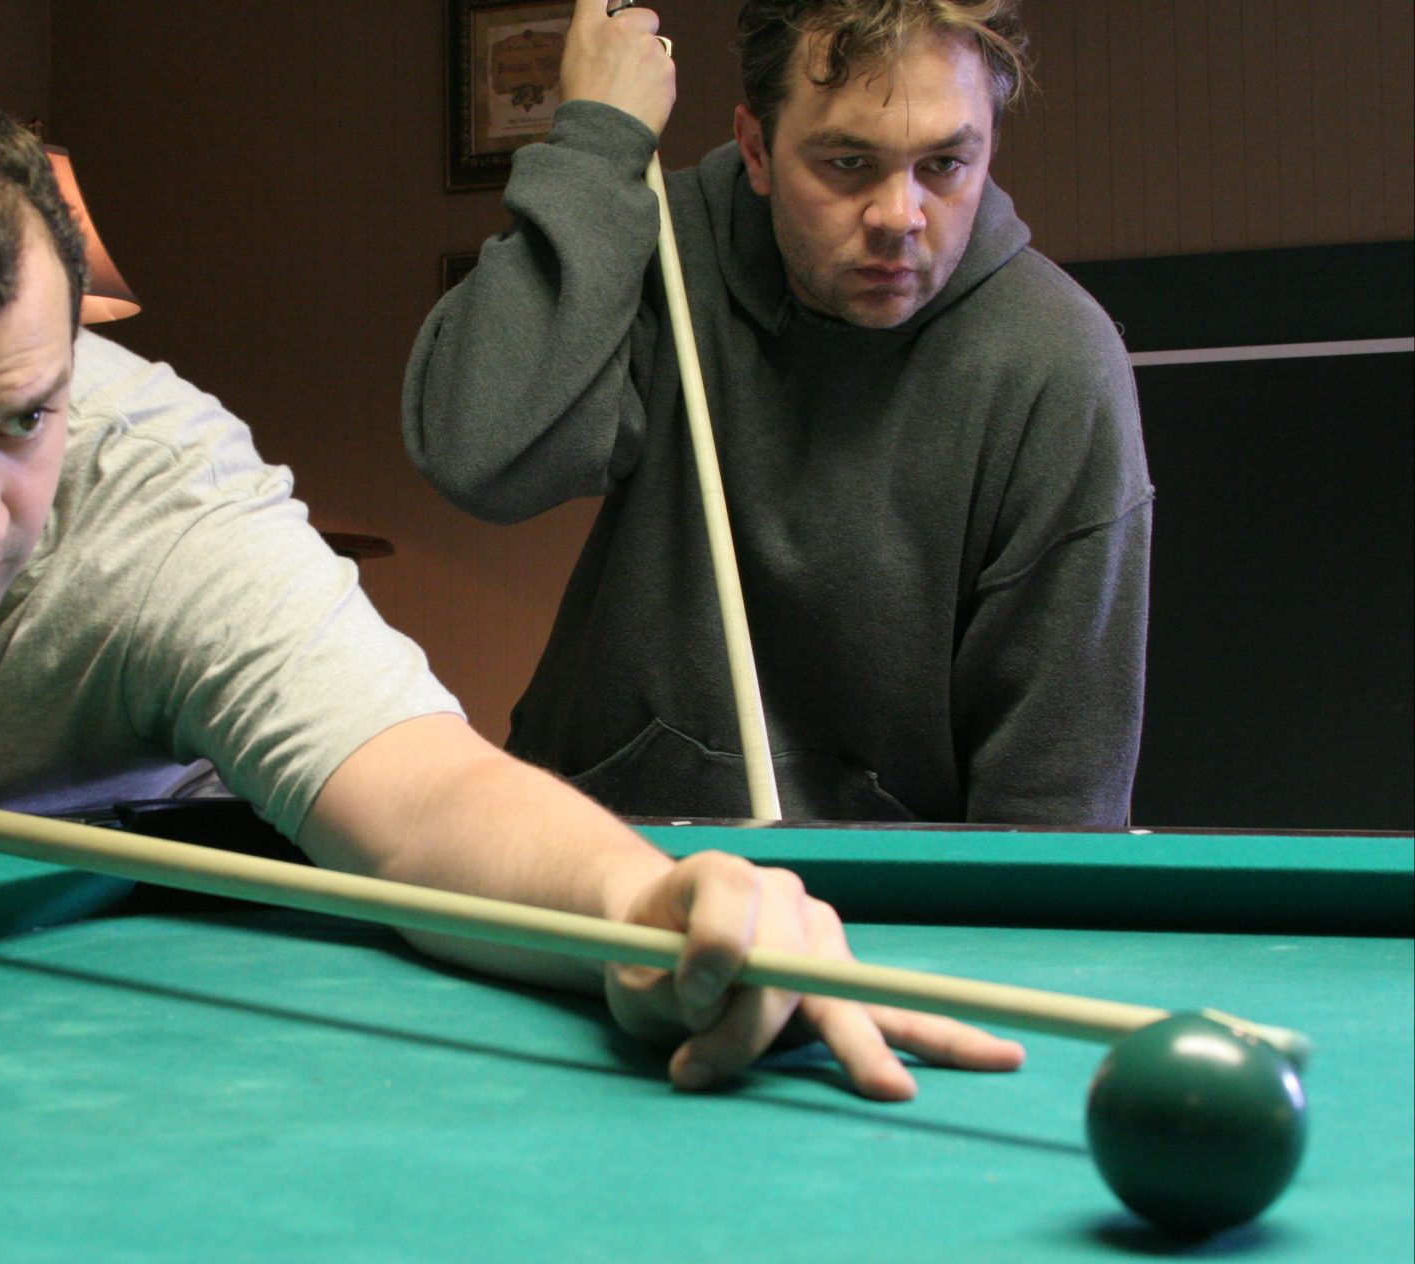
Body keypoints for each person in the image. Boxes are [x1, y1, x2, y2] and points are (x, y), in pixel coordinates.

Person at [0, 82, 1021, 1094]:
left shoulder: (164, 506)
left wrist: (643, 899)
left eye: (26, 418)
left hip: (109, 935)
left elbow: (422, 793)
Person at [405, 0, 1151, 825]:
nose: (899, 217)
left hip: (880, 892)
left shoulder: (1054, 359)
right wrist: (596, 141)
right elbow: (479, 454)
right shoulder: (659, 242)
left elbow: (1055, 797)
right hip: (602, 850)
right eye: (848, 163)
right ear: (757, 149)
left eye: (944, 164)